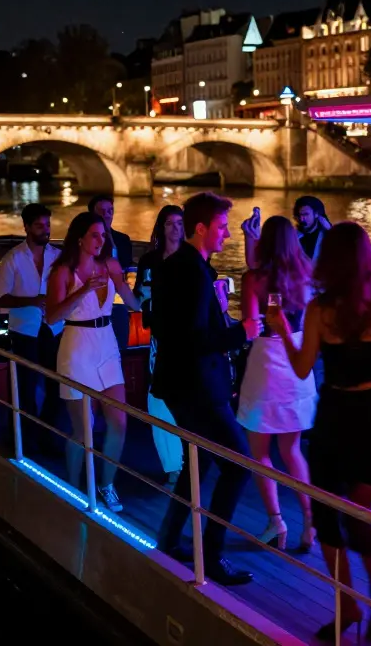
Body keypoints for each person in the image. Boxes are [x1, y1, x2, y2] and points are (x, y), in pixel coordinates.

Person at [270, 221, 371, 641]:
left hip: (337, 413)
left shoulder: (321, 309)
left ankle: (367, 602)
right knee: (351, 514)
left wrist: (282, 329)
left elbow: (302, 368)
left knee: (341, 516)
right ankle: (359, 603)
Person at [153, 192, 260, 586]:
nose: (228, 234)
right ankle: (212, 553)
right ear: (201, 229)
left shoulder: (178, 266)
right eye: (222, 227)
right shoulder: (194, 273)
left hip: (181, 382)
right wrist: (242, 332)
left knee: (197, 463)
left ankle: (168, 538)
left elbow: (169, 329)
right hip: (197, 388)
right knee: (239, 465)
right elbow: (196, 339)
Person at [45, 212, 142, 513]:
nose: (101, 241)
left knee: (119, 422)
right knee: (83, 429)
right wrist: (84, 289)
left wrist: (149, 293)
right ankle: (74, 488)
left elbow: (132, 302)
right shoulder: (62, 271)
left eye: (103, 236)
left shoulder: (111, 266)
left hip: (106, 344)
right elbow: (51, 317)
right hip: (77, 346)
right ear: (80, 239)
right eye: (95, 236)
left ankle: (107, 484)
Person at [237, 216, 318, 551]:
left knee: (260, 452)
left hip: (267, 363)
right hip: (297, 361)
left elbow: (251, 324)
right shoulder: (307, 276)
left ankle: (276, 521)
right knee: (292, 449)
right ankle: (311, 521)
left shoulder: (254, 279)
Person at [0, 203, 64, 450]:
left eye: (47, 225)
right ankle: (27, 441)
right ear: (26, 228)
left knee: (57, 386)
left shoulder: (57, 257)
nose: (45, 230)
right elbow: (1, 299)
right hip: (24, 330)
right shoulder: (12, 259)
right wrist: (33, 301)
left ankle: (45, 434)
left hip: (53, 328)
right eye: (39, 226)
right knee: (26, 387)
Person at [133, 205, 185, 485]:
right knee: (157, 399)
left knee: (185, 400)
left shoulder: (192, 259)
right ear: (160, 228)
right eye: (169, 223)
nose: (175, 229)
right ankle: (172, 466)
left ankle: (188, 463)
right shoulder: (150, 261)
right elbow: (139, 294)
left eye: (180, 223)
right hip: (160, 338)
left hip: (187, 340)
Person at [87, 195, 135, 355]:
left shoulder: (122, 240)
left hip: (118, 302)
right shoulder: (83, 243)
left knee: (120, 351)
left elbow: (126, 269)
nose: (107, 215)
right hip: (92, 303)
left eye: (110, 211)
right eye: (102, 211)